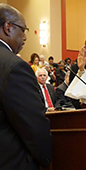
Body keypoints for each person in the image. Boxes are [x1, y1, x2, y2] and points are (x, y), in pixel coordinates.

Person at [0, 3, 51, 169]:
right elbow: (33, 125)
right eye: (23, 30)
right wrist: (46, 160)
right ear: (8, 27)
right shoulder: (15, 67)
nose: (25, 37)